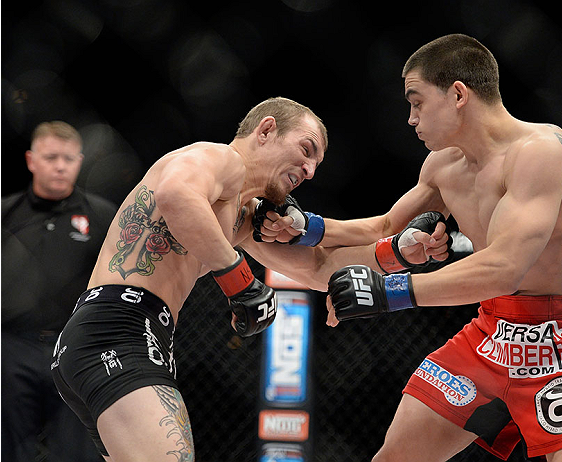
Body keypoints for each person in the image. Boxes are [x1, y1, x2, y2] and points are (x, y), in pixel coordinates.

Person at [263, 34, 562, 461]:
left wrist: (390, 292)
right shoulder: (443, 166)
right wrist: (307, 228)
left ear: (457, 94)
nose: (411, 119)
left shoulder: (541, 152)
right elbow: (383, 226)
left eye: (417, 102)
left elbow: (504, 266)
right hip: (496, 331)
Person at [48, 97, 448, 461]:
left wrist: (396, 252)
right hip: (116, 330)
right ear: (266, 130)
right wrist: (238, 280)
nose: (309, 171)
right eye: (306, 150)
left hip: (134, 335)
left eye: (316, 166)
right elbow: (175, 196)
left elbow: (316, 269)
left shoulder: (241, 215)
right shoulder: (219, 159)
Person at [1, 121, 117, 462]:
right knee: (9, 446)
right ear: (31, 160)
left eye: (68, 158)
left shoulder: (102, 216)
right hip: (12, 347)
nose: (60, 166)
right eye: (51, 157)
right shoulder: (6, 215)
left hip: (75, 349)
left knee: (78, 450)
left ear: (80, 161)